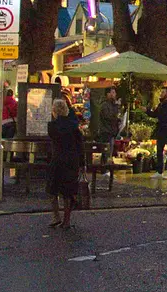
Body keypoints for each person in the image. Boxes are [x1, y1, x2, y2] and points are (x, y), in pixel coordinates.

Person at [46, 98, 85, 229]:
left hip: (57, 160)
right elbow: (80, 146)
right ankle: (66, 220)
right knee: (68, 192)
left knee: (53, 189)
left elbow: (53, 140)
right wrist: (82, 163)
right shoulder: (74, 126)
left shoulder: (52, 126)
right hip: (71, 161)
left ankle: (56, 216)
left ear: (54, 111)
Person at [92, 87, 122, 161]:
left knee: (109, 151)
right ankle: (105, 169)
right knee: (106, 151)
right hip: (106, 131)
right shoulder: (105, 105)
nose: (113, 95)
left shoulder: (112, 105)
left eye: (114, 93)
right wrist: (117, 118)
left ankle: (106, 167)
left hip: (111, 131)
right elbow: (108, 117)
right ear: (107, 94)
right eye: (112, 92)